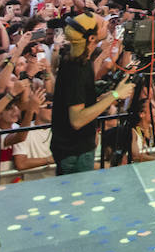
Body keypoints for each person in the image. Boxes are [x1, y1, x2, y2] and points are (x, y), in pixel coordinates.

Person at [50, 13, 134, 175]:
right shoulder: (77, 69)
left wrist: (99, 99)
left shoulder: (79, 60)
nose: (107, 25)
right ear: (91, 39)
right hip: (74, 153)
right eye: (102, 25)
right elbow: (77, 120)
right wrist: (115, 96)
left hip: (76, 149)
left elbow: (77, 99)